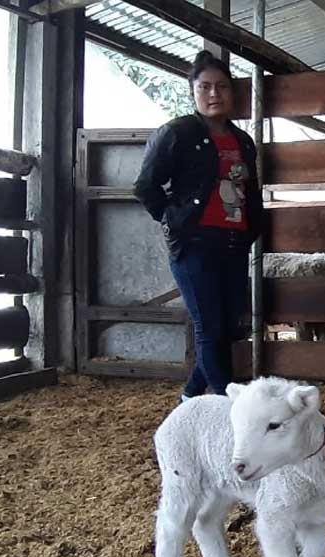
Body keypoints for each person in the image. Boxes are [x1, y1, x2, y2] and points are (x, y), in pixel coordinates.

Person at [134, 51, 264, 401]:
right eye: (204, 86)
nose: (213, 94)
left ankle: (191, 397)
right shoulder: (177, 133)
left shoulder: (242, 142)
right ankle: (227, 404)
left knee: (227, 328)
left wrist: (253, 226)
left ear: (232, 93)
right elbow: (145, 186)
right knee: (209, 328)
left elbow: (248, 189)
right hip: (194, 244)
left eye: (221, 86)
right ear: (193, 91)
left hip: (234, 243)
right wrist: (173, 220)